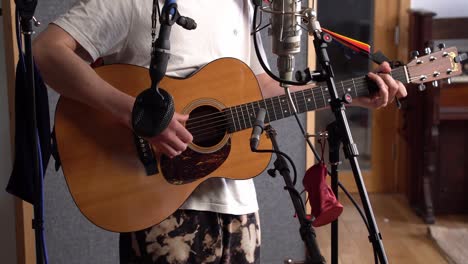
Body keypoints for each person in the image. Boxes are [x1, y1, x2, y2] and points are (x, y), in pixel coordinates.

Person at [32, 0, 407, 263]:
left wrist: (347, 94)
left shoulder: (240, 5)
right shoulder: (137, 2)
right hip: (162, 210)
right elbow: (48, 52)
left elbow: (257, 86)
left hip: (240, 211)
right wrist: (139, 115)